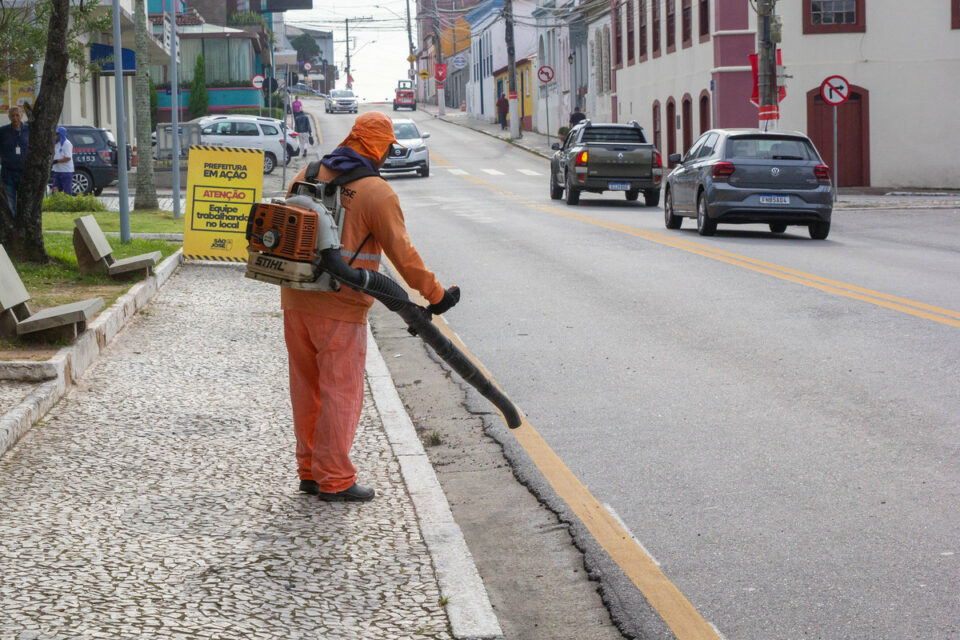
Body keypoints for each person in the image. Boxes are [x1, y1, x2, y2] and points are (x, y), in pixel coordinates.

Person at [283, 111, 459, 502]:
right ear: (377, 147)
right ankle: (335, 479)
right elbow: (404, 257)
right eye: (385, 148)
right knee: (340, 392)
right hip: (341, 306)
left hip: (295, 299)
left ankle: (309, 471)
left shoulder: (306, 174)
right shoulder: (376, 191)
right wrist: (436, 296)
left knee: (306, 389)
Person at [0, 105, 30, 211]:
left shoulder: (29, 130)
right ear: (9, 117)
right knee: (10, 204)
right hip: (8, 173)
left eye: (17, 115)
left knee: (25, 204)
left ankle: (22, 226)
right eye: (12, 116)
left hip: (25, 172)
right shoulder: (2, 131)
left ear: (22, 115)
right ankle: (12, 227)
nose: (15, 118)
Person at [51, 126, 74, 194]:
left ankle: (68, 204)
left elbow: (68, 158)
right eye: (55, 134)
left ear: (61, 134)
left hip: (66, 172)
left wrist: (56, 161)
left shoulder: (67, 143)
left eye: (57, 134)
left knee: (67, 192)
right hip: (57, 171)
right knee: (55, 192)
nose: (56, 135)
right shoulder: (56, 144)